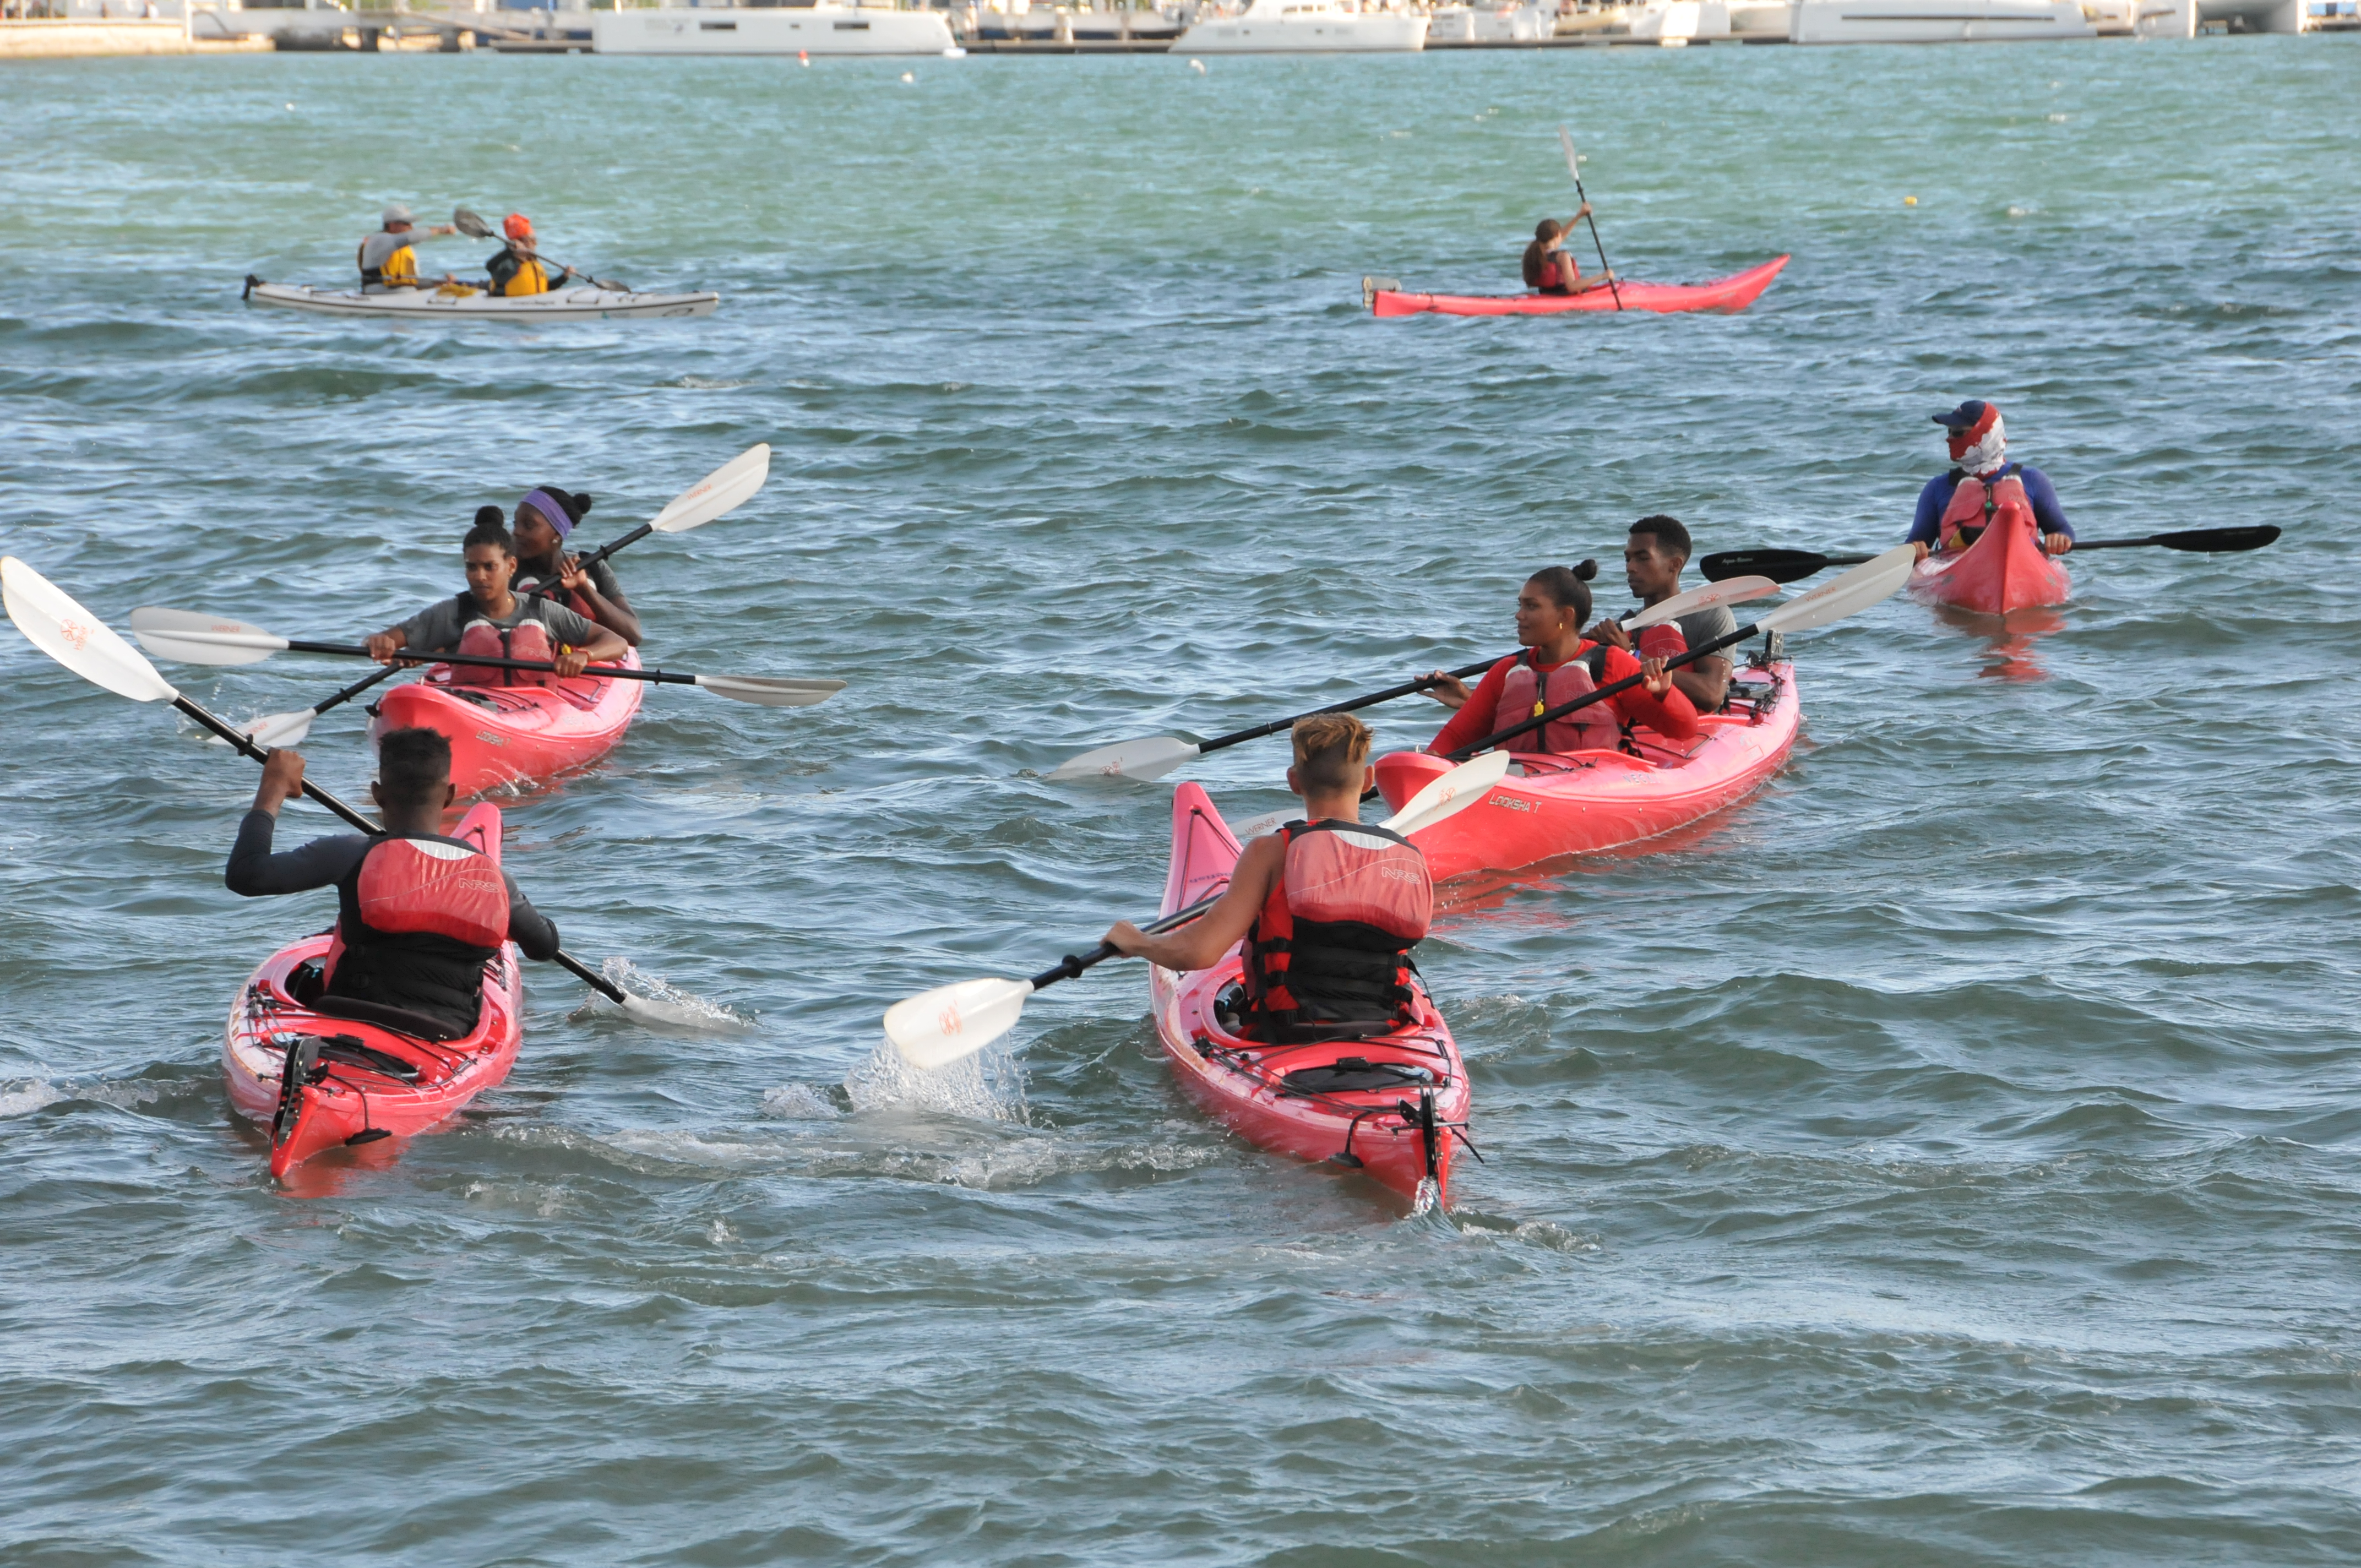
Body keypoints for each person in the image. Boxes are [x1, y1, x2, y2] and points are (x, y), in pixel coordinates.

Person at [1103, 713, 1433, 1043]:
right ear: (1367, 780)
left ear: (1294, 781)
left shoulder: (1272, 852)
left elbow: (1199, 953)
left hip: (1287, 1034)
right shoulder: (1407, 855)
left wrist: (1138, 943)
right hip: (1388, 1031)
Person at [225, 729, 563, 1040]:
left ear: (377, 795)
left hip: (347, 1017)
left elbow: (246, 875)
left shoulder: (348, 853)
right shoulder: (493, 877)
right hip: (446, 1036)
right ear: (449, 795)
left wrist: (273, 787)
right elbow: (544, 946)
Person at [1422, 565, 1700, 758]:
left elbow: (1684, 730)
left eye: (1531, 606)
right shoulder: (1505, 672)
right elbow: (1456, 740)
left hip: (1593, 786)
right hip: (1520, 789)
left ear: (1565, 616)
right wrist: (1426, 767)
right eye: (1519, 605)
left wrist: (1664, 693)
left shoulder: (1613, 664)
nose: (1519, 615)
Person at [364, 515, 628, 685]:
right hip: (472, 708)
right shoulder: (452, 612)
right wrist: (380, 642)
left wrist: (584, 656)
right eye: (471, 567)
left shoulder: (542, 611)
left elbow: (617, 642)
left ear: (511, 566)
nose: (479, 576)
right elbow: (385, 640)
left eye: (489, 567)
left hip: (537, 711)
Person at [1586, 515, 1733, 714]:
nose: (1630, 567)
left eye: (1643, 558)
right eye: (1628, 559)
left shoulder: (1711, 615)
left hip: (1695, 727)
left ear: (1675, 564)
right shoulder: (1626, 625)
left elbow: (1712, 695)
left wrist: (1630, 655)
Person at [1908, 400, 2075, 563]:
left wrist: (2061, 539)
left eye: (1958, 433)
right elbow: (1914, 543)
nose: (1949, 439)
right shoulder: (1937, 488)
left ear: (1987, 435)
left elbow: (2064, 531)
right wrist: (1916, 549)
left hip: (2020, 565)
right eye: (1949, 432)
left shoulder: (2033, 480)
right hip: (1956, 568)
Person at [508, 489, 642, 647]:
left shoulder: (593, 567)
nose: (517, 531)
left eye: (528, 525)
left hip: (591, 662)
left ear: (557, 534)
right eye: (515, 524)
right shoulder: (506, 570)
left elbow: (633, 635)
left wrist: (584, 589)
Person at [357, 203, 457, 293]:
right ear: (393, 225)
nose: (411, 227)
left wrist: (441, 282)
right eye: (407, 223)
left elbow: (413, 282)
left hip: (406, 296)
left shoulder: (404, 249)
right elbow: (410, 237)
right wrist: (441, 230)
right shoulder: (378, 241)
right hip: (379, 295)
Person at [483, 213, 576, 299]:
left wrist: (564, 277)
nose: (536, 243)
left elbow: (545, 288)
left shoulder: (533, 262)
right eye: (532, 239)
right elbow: (490, 266)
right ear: (520, 243)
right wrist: (509, 251)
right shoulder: (509, 264)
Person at [1523, 212, 1616, 297]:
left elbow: (1556, 240)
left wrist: (1579, 216)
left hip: (1546, 295)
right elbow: (1572, 286)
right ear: (1557, 235)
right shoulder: (1563, 256)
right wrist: (1603, 276)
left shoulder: (1536, 253)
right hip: (1565, 298)